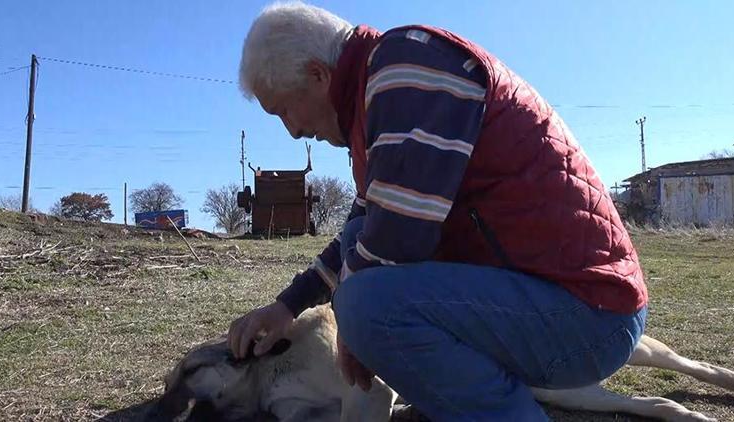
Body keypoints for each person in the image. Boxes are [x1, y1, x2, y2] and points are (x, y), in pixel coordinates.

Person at [229, 2, 648, 420]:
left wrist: (352, 330)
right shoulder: (376, 101)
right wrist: (288, 306)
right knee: (359, 263)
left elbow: (397, 237)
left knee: (364, 304)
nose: (294, 130)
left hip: (589, 313)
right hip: (545, 296)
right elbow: (362, 230)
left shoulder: (407, 72)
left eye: (283, 110)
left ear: (318, 75)